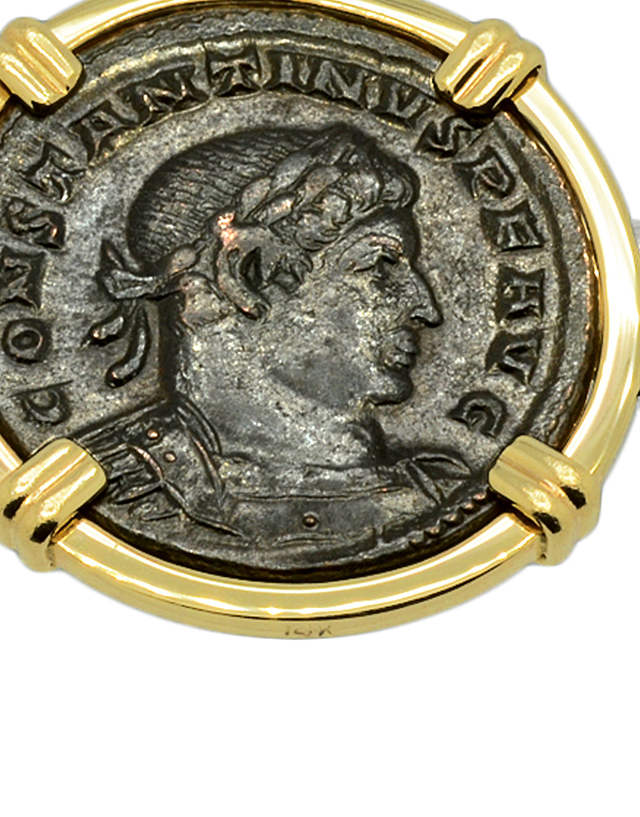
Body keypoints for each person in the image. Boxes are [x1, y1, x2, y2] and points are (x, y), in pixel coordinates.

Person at [73, 123, 477, 574]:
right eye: (380, 265)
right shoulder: (108, 488)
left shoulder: (448, 494)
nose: (426, 309)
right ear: (243, 276)